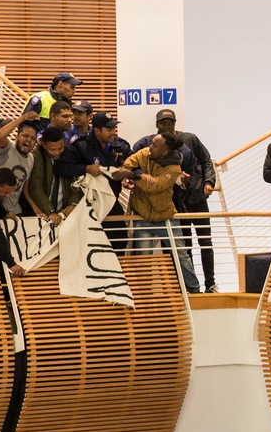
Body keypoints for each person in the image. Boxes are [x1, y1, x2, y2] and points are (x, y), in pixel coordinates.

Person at [116, 133, 200, 293]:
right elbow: (127, 164)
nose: (150, 147)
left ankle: (194, 290)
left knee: (181, 255)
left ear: (164, 151)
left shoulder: (174, 168)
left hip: (166, 218)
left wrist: (135, 176)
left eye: (155, 145)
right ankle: (145, 295)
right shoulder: (144, 154)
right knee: (144, 259)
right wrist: (130, 174)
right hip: (142, 217)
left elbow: (155, 186)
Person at [154, 108, 219, 293]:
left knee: (205, 242)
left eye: (171, 123)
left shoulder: (190, 139)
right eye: (164, 123)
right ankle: (190, 286)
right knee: (184, 245)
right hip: (174, 202)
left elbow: (207, 161)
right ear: (157, 125)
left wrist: (209, 182)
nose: (168, 126)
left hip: (198, 198)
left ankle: (210, 284)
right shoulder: (154, 144)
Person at [54, 111, 132, 251]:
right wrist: (86, 168)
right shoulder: (79, 145)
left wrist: (129, 174)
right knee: (86, 243)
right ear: (96, 130)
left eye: (114, 128)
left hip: (111, 199)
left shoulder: (120, 145)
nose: (113, 132)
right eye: (109, 129)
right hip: (85, 201)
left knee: (120, 239)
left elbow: (135, 163)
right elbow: (61, 168)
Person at [25, 126, 82, 227]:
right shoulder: (37, 158)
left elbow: (76, 184)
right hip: (43, 214)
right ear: (44, 145)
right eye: (52, 149)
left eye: (60, 148)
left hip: (64, 213)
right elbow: (36, 188)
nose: (57, 153)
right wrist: (50, 211)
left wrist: (72, 204)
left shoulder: (69, 156)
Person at [0, 111, 40, 215]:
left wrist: (36, 209)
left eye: (33, 138)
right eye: (25, 135)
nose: (28, 140)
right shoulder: (6, 150)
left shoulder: (31, 158)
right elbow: (0, 135)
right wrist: (23, 118)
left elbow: (25, 189)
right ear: (16, 137)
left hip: (15, 211)